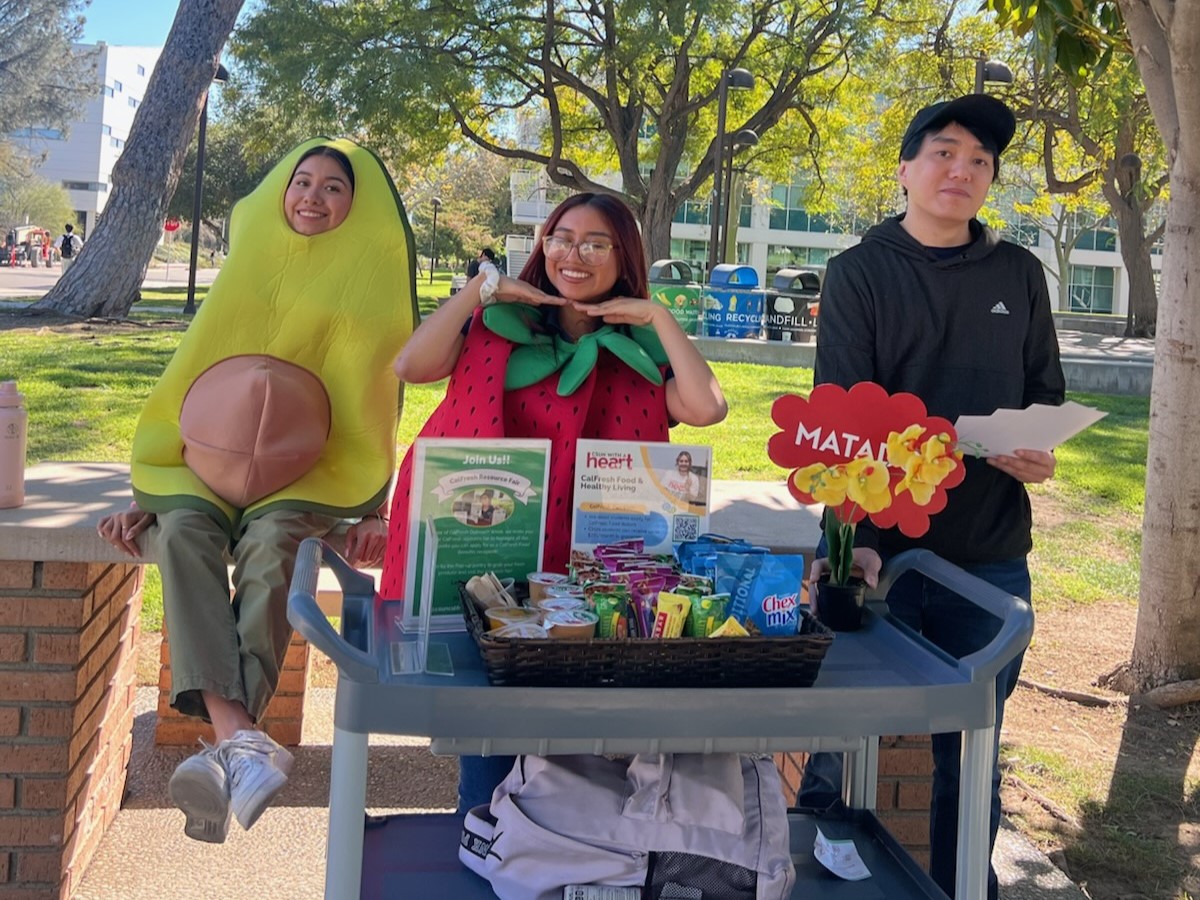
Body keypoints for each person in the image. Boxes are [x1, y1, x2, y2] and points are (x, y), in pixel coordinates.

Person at [96, 139, 420, 844]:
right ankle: (239, 739)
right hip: (205, 458)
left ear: (357, 206)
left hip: (311, 463)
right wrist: (151, 494)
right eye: (301, 181)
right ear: (280, 190)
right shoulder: (248, 264)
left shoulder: (368, 284)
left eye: (334, 187)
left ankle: (229, 748)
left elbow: (373, 397)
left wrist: (373, 507)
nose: (312, 196)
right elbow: (193, 373)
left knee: (276, 546)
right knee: (182, 533)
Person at [797, 95, 1065, 900]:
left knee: (975, 744)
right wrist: (854, 536)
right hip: (876, 547)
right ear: (906, 168)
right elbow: (839, 416)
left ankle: (959, 884)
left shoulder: (1019, 273)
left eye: (979, 161)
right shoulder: (859, 272)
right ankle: (816, 855)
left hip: (989, 553)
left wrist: (1036, 454)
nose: (962, 170)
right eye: (944, 153)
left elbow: (1044, 392)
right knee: (840, 731)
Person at [383, 192, 728, 811]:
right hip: (488, 539)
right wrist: (482, 290)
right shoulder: (492, 328)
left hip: (585, 559)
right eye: (561, 237)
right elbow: (411, 364)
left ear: (624, 257)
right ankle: (483, 831)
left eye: (597, 243)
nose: (574, 254)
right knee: (487, 709)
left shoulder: (642, 357)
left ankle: (554, 848)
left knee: (572, 732)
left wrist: (656, 317)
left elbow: (707, 407)